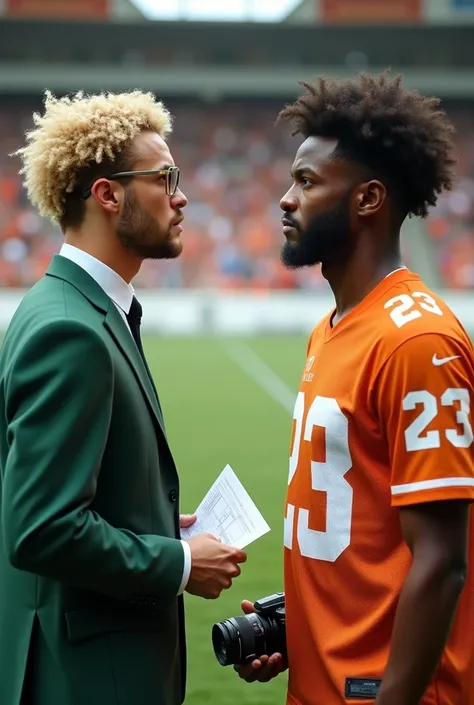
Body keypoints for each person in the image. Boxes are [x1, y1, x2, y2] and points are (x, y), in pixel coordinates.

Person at [0, 90, 246, 705]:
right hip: (87, 677)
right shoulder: (69, 329)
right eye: (165, 178)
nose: (181, 196)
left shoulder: (74, 309)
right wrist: (180, 564)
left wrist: (154, 524)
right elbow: (41, 528)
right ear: (108, 195)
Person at [235, 72, 474, 704]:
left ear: (368, 200)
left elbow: (443, 561)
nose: (285, 199)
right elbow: (364, 532)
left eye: (307, 182)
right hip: (325, 681)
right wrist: (301, 625)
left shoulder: (417, 342)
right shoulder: (331, 329)